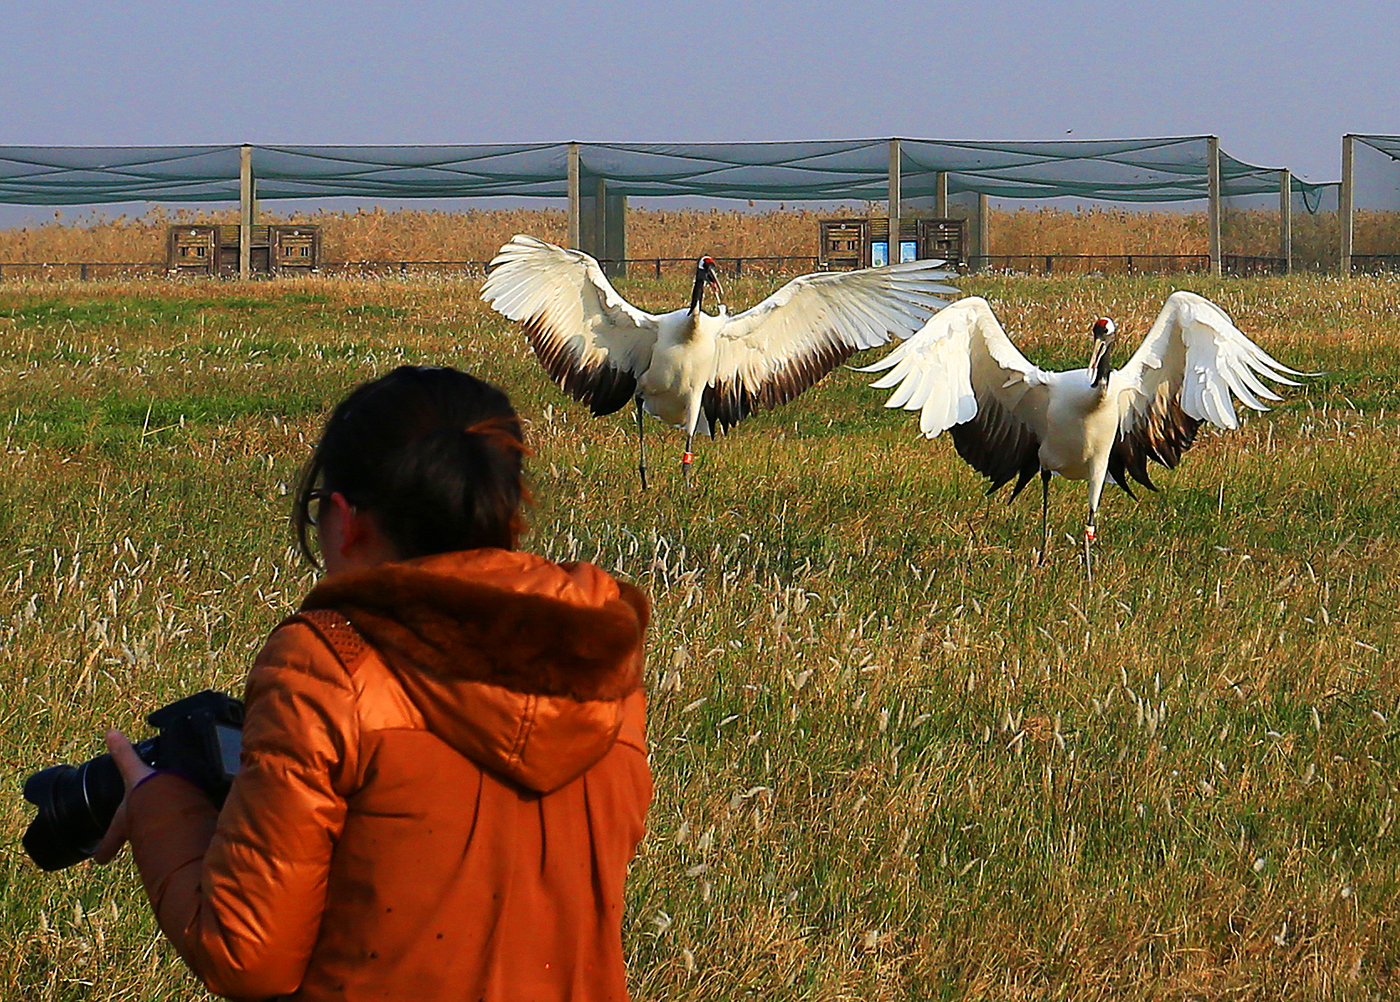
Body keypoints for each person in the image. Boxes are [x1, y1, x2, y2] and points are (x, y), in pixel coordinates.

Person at [96, 365, 653, 1001]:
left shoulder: (330, 667)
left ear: (346, 519)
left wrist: (155, 805)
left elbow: (248, 955)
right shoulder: (598, 663)